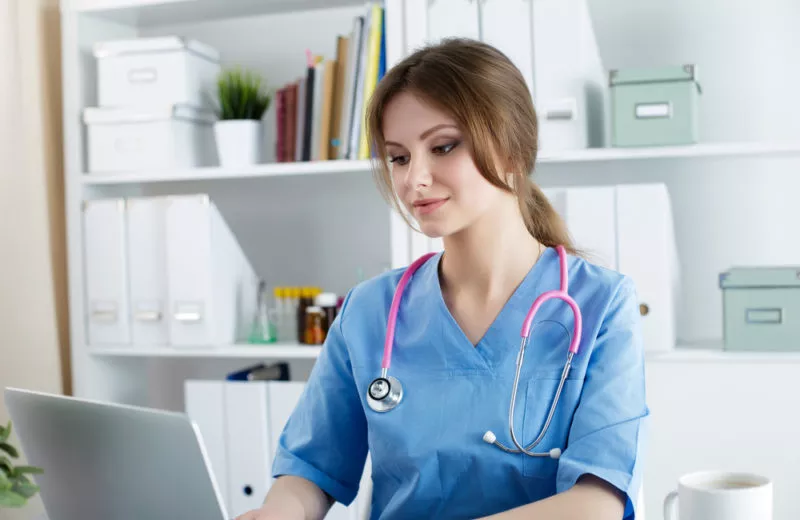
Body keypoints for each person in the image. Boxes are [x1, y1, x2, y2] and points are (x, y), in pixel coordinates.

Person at [238, 38, 649, 520]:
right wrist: (277, 513)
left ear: (512, 149)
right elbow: (309, 468)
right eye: (399, 157)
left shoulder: (601, 305)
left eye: (443, 146)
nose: (415, 179)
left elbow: (596, 503)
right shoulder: (369, 312)